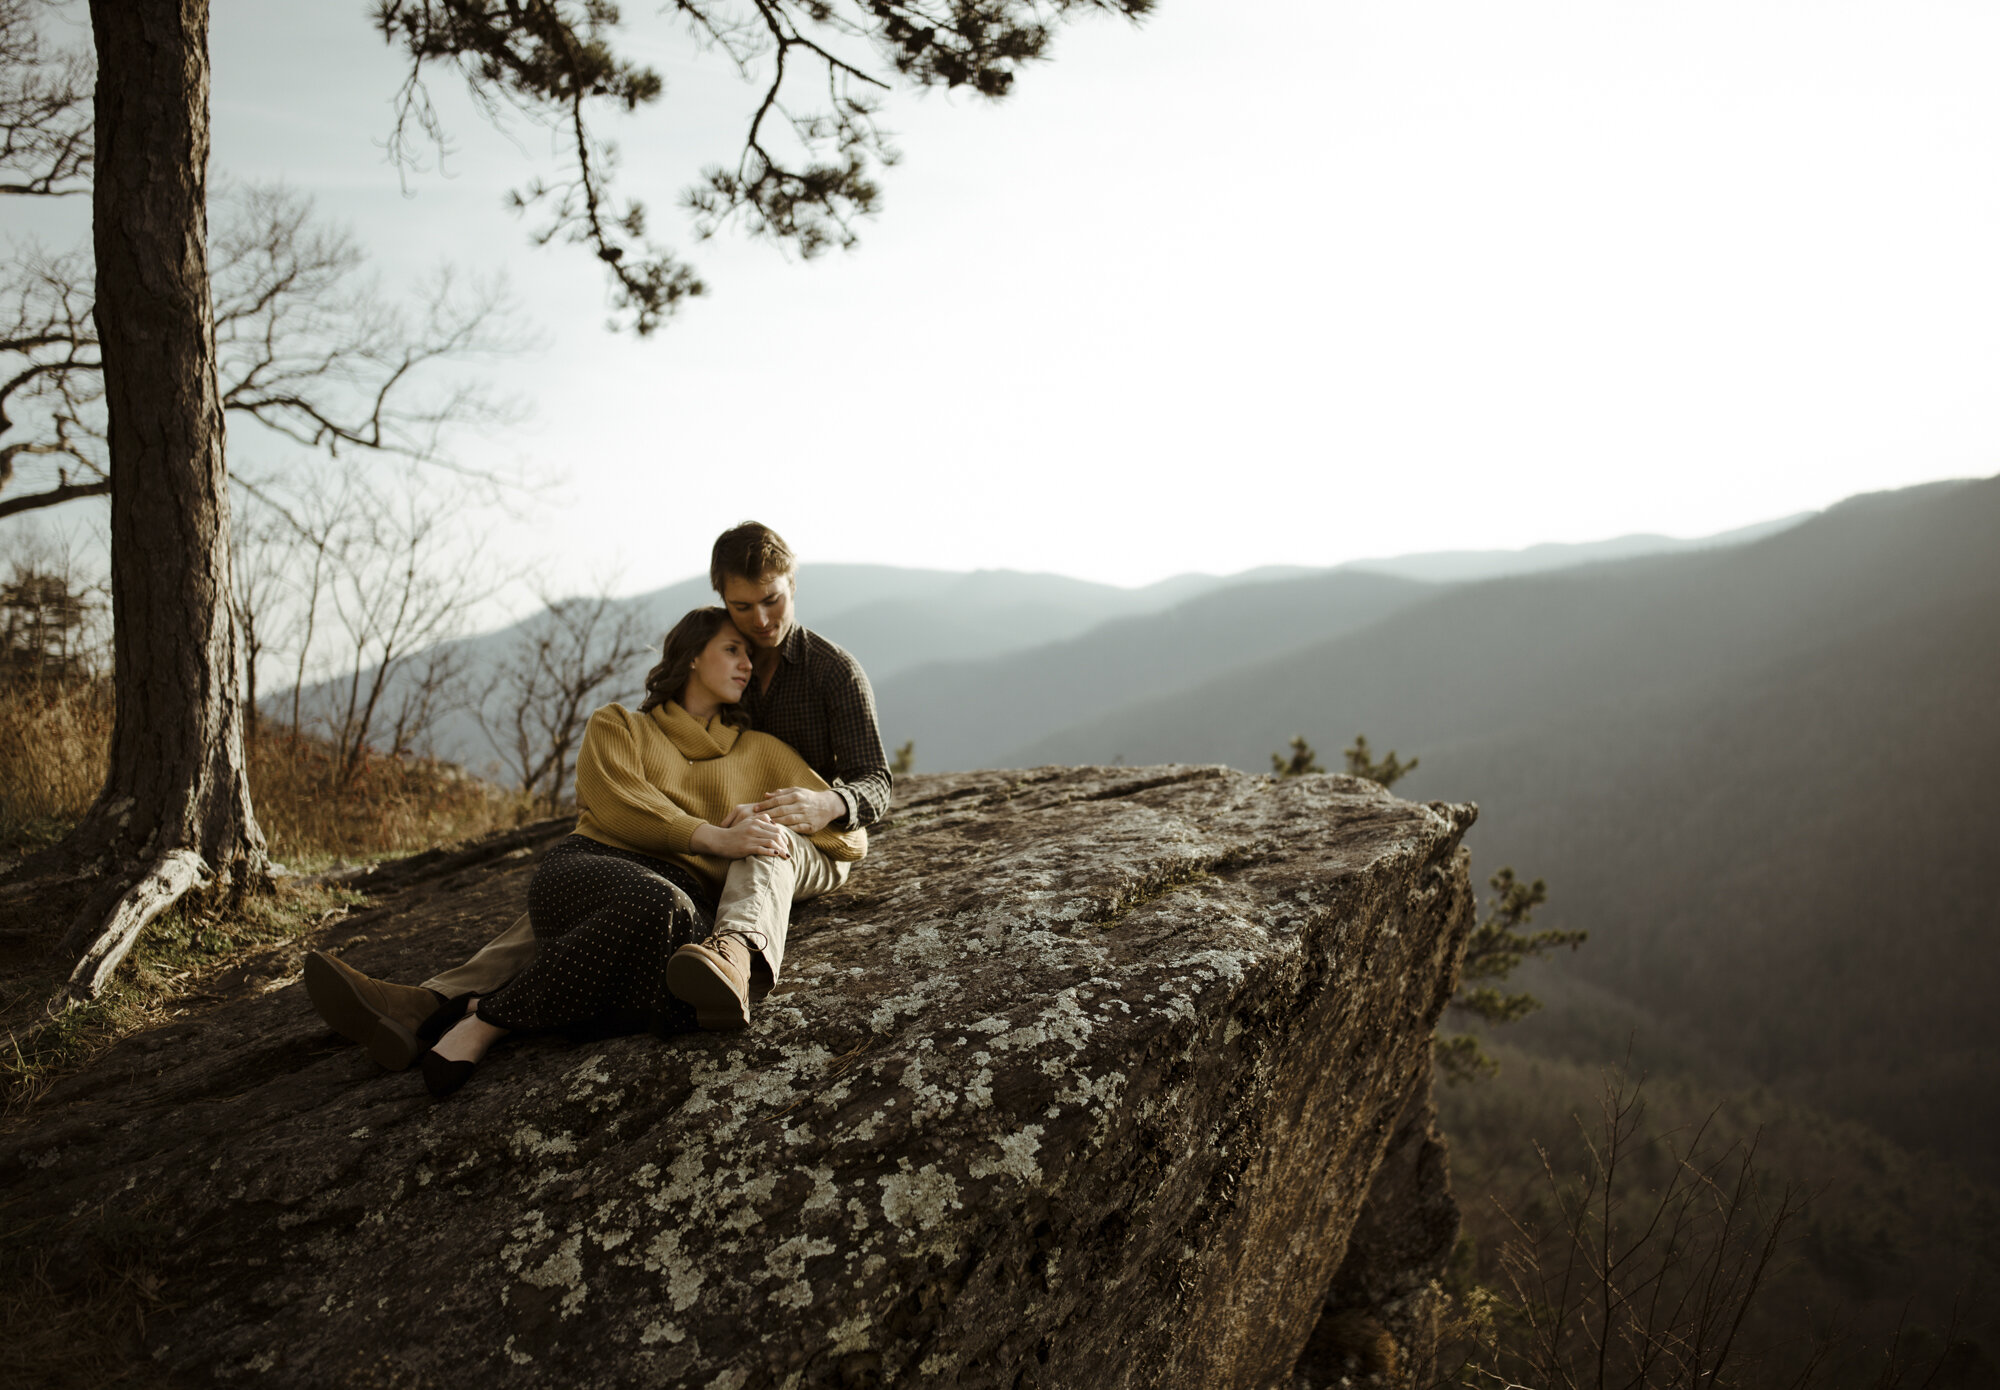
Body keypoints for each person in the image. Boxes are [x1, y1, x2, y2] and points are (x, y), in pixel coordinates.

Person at [302, 521, 892, 1070]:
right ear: (720, 608)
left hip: (807, 834)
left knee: (758, 846)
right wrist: (700, 825)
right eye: (742, 611)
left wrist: (828, 803)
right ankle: (428, 1004)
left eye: (774, 601)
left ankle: (734, 956)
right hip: (705, 840)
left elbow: (875, 783)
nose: (760, 622)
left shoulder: (829, 675)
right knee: (600, 888)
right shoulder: (661, 720)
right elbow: (632, 791)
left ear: (793, 584)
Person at [415, 606, 867, 1097]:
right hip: (590, 874)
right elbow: (616, 801)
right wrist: (714, 836)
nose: (747, 665)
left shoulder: (763, 752)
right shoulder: (620, 726)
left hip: (676, 912)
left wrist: (775, 813)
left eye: (750, 657)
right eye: (732, 650)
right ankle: (488, 1021)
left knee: (677, 989)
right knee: (658, 906)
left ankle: (471, 1008)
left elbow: (847, 839)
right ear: (693, 656)